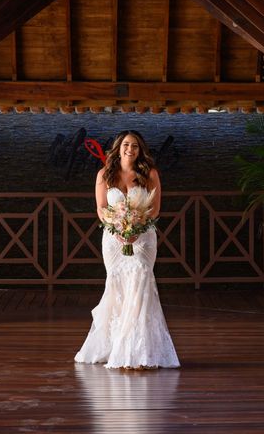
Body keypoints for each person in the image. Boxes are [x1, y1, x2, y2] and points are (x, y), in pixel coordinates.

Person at [74, 130, 180, 369]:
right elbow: (101, 208)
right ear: (118, 148)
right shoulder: (105, 174)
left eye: (134, 145)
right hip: (113, 240)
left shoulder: (149, 173)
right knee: (117, 286)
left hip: (143, 239)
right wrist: (118, 228)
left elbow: (154, 209)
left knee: (140, 284)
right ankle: (116, 345)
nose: (129, 149)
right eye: (125, 145)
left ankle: (139, 351)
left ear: (140, 150)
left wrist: (136, 228)